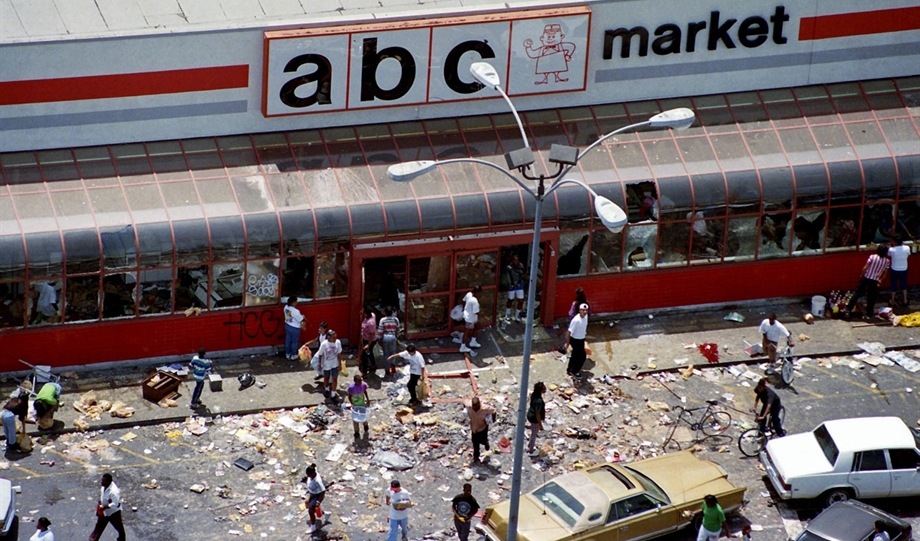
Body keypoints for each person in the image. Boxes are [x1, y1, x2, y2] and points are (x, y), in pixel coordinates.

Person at [845, 245, 890, 320]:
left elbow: (866, 267)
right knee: (871, 296)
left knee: (857, 293)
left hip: (866, 277)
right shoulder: (887, 261)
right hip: (875, 280)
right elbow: (885, 273)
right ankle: (870, 312)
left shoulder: (872, 257)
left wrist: (862, 274)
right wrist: (880, 280)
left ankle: (848, 309)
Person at [90, 473, 126, 541]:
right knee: (98, 527)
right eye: (102, 480)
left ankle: (122, 539)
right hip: (104, 512)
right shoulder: (104, 486)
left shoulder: (114, 491)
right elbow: (103, 496)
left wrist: (104, 507)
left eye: (104, 481)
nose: (102, 482)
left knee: (119, 527)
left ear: (109, 481)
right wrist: (101, 502)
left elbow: (115, 504)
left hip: (114, 513)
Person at [466, 397, 496, 463]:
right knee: (475, 443)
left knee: (482, 440)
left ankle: (486, 443)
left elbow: (494, 411)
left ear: (479, 404)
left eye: (476, 406)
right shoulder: (469, 406)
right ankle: (476, 457)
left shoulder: (485, 408)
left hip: (482, 428)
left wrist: (492, 420)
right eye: (474, 406)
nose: (475, 408)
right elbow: (464, 403)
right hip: (474, 428)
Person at [565, 303, 589, 378]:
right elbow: (569, 332)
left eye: (586, 310)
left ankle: (570, 370)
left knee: (575, 355)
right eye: (583, 310)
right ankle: (575, 371)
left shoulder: (586, 317)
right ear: (579, 310)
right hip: (575, 340)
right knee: (582, 356)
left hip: (581, 339)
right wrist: (567, 343)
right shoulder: (576, 320)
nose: (584, 312)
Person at [302, 464, 326, 533]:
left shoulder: (317, 481)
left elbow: (323, 491)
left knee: (310, 510)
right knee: (307, 502)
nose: (308, 476)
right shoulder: (312, 474)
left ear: (313, 473)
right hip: (312, 493)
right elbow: (314, 466)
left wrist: (318, 501)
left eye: (309, 475)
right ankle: (325, 513)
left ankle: (313, 527)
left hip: (317, 495)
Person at [319, 330, 343, 402]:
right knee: (326, 377)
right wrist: (319, 364)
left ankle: (333, 394)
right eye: (333, 338)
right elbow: (320, 354)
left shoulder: (338, 342)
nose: (335, 339)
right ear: (329, 337)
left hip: (335, 364)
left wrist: (340, 364)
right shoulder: (324, 344)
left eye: (335, 338)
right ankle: (326, 389)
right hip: (326, 364)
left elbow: (339, 354)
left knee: (334, 378)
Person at [377, 307, 401, 377]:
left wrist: (379, 339)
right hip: (393, 337)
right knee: (393, 353)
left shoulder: (383, 320)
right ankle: (392, 365)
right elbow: (398, 330)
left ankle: (387, 370)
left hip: (385, 337)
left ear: (385, 313)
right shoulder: (396, 319)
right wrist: (396, 338)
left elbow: (380, 331)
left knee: (386, 354)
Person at [458, 286, 482, 356]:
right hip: (471, 319)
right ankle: (463, 347)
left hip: (467, 316)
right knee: (466, 332)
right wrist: (481, 315)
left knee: (478, 326)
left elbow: (463, 301)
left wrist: (464, 308)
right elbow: (476, 312)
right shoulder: (475, 301)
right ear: (477, 293)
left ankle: (473, 341)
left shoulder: (469, 294)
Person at [888, 237, 910, 307]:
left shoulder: (892, 250)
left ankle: (892, 300)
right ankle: (905, 300)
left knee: (893, 285)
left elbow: (888, 254)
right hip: (904, 268)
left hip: (894, 269)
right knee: (904, 284)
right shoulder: (907, 248)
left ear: (895, 242)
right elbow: (909, 254)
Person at [347, 374, 371, 441]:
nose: (360, 382)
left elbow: (365, 391)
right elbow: (349, 396)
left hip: (362, 404)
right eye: (359, 381)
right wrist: (352, 404)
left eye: (361, 380)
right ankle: (356, 432)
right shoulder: (351, 388)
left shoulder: (363, 385)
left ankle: (365, 426)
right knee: (355, 418)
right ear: (355, 381)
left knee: (363, 416)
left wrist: (368, 399)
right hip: (355, 405)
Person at [503, 254, 526, 322]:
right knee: (510, 300)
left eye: (517, 260)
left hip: (519, 285)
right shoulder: (509, 267)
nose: (516, 261)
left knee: (521, 300)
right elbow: (508, 277)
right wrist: (510, 284)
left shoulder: (521, 266)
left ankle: (517, 314)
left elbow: (523, 274)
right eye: (514, 260)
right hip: (512, 286)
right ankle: (508, 314)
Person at [526, 382, 546, 458]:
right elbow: (537, 413)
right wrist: (540, 424)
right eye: (544, 388)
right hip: (534, 419)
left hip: (530, 414)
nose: (545, 389)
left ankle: (529, 444)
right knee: (534, 434)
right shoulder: (539, 401)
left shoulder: (534, 395)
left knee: (533, 432)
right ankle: (531, 450)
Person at [283, 296, 305, 361]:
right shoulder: (296, 311)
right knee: (294, 342)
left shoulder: (285, 307)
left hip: (287, 325)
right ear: (293, 303)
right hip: (295, 328)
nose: (296, 303)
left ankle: (287, 354)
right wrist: (302, 316)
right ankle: (293, 355)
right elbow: (300, 319)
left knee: (288, 340)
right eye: (295, 302)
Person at [360, 307, 378, 376]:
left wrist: (368, 344)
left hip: (370, 340)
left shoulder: (371, 323)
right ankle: (373, 365)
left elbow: (372, 334)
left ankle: (364, 371)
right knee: (369, 352)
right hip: (365, 339)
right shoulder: (372, 315)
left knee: (364, 356)